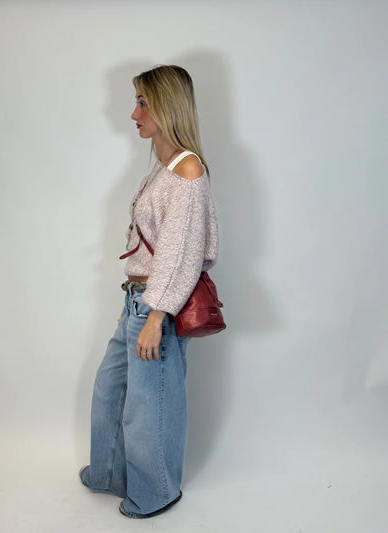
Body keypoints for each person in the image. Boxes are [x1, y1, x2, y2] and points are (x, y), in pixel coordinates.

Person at [79, 64, 219, 518]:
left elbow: (181, 254)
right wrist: (133, 307)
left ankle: (156, 491)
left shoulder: (187, 170)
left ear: (167, 106)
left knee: (149, 404)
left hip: (156, 305)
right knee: (111, 388)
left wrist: (156, 315)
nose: (133, 114)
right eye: (136, 102)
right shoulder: (165, 167)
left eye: (142, 102)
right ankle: (110, 473)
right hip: (138, 299)